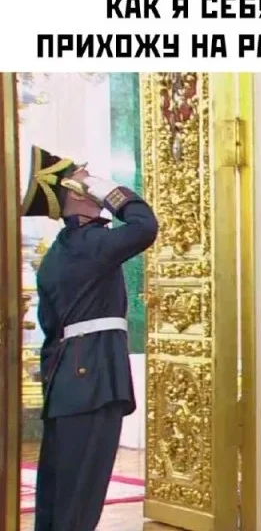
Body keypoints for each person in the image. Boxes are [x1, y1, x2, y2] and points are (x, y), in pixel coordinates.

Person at [21, 145, 158, 530]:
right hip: (95, 379)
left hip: (69, 383)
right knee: (80, 498)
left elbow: (51, 326)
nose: (94, 183)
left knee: (59, 494)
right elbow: (145, 226)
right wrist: (107, 188)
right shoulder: (91, 244)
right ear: (78, 193)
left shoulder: (58, 254)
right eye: (86, 180)